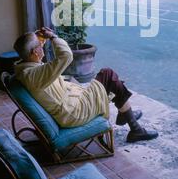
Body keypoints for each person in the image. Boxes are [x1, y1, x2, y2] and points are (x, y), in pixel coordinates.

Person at [13, 27, 158, 143]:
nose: (42, 47)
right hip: (74, 112)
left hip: (71, 104)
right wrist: (53, 37)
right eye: (40, 46)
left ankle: (124, 114)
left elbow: (38, 57)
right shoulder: (35, 75)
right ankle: (134, 128)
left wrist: (40, 40)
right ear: (35, 52)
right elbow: (66, 56)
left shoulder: (27, 68)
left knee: (111, 82)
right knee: (109, 75)